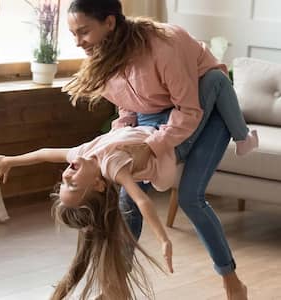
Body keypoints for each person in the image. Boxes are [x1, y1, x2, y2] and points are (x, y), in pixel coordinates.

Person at [62, 1, 259, 299]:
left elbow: (189, 111)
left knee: (191, 198)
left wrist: (152, 145)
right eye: (73, 34)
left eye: (84, 32)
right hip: (160, 117)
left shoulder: (163, 46)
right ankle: (117, 286)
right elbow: (128, 109)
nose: (78, 43)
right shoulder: (107, 59)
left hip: (205, 108)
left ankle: (231, 280)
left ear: (110, 23)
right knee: (129, 196)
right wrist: (123, 139)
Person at [0, 125, 175, 300]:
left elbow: (44, 154)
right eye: (73, 184)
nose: (66, 175)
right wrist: (163, 239)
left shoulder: (85, 153)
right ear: (98, 184)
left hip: (148, 124)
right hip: (169, 141)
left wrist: (10, 161)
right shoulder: (111, 165)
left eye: (64, 183)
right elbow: (141, 200)